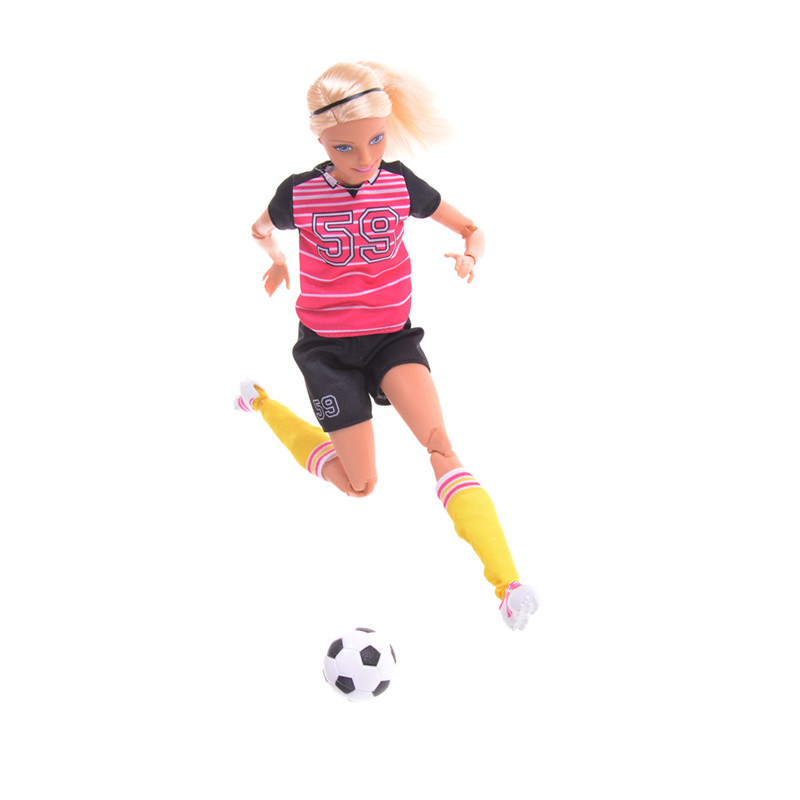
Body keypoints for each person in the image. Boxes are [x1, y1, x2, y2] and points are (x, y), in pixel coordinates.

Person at [236, 61, 538, 630]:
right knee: (360, 485)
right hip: (327, 351)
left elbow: (471, 227)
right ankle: (261, 403)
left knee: (440, 443)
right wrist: (277, 260)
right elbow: (259, 229)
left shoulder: (399, 183)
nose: (365, 158)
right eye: (345, 147)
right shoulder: (298, 194)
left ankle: (508, 584)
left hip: (391, 340)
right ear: (321, 141)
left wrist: (471, 255)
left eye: (376, 139)